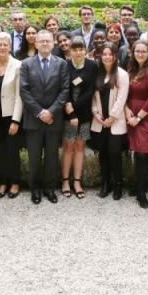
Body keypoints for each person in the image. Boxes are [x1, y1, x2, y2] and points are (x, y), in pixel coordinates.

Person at [19, 29, 70, 205]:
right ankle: (35, 190)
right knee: (34, 158)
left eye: (48, 41)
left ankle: (49, 189)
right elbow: (24, 91)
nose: (45, 44)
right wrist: (41, 112)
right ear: (36, 43)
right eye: (42, 41)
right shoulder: (26, 64)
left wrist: (52, 111)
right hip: (34, 120)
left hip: (54, 120)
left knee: (51, 157)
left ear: (53, 42)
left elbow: (65, 90)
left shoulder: (62, 64)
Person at [124, 40, 148, 208]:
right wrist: (126, 111)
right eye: (137, 51)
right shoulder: (131, 69)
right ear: (133, 52)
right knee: (135, 152)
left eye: (143, 51)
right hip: (130, 113)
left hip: (146, 116)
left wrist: (138, 118)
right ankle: (138, 184)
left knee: (142, 153)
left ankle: (142, 191)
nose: (140, 54)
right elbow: (123, 92)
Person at [0, 33, 24, 199]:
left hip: (11, 117)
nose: (2, 47)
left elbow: (19, 96)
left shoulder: (18, 66)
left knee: (12, 151)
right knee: (0, 150)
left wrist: (16, 120)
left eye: (5, 44)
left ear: (10, 47)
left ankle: (15, 182)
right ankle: (3, 182)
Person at [61, 37, 98, 199]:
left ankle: (77, 181)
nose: (78, 52)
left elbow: (90, 90)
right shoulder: (65, 65)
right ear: (70, 51)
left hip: (84, 114)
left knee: (80, 147)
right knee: (68, 146)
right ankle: (65, 181)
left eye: (81, 49)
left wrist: (76, 111)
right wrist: (71, 112)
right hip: (67, 113)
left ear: (85, 50)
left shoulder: (92, 66)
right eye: (74, 49)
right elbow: (63, 89)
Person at [91, 43, 128, 200]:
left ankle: (118, 184)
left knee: (114, 154)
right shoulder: (97, 74)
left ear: (115, 56)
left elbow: (122, 98)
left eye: (110, 54)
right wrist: (96, 114)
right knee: (103, 154)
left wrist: (112, 117)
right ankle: (106, 183)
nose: (107, 57)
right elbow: (92, 97)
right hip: (100, 122)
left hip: (115, 122)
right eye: (104, 54)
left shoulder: (122, 74)